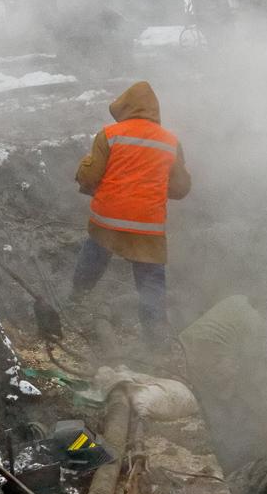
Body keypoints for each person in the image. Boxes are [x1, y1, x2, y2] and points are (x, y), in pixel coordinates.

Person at [72, 81, 191, 346]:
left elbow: (90, 175)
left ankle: (77, 300)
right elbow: (181, 188)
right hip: (148, 224)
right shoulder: (171, 142)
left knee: (94, 254)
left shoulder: (110, 134)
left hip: (108, 218)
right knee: (151, 282)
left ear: (124, 107)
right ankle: (155, 341)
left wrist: (85, 179)